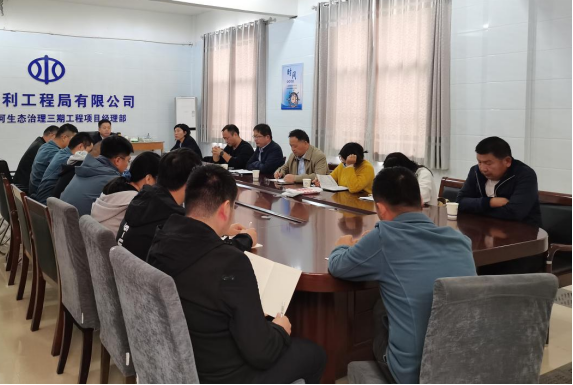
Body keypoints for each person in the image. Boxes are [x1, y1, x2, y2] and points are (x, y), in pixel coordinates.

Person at [148, 165, 326, 384]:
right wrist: (280, 330)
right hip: (224, 375)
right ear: (225, 208)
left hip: (179, 361)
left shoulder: (162, 238)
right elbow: (262, 353)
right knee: (314, 355)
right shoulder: (230, 262)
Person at [328, 167, 476, 384]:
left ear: (380, 208)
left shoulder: (384, 237)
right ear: (421, 201)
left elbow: (337, 266)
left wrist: (341, 246)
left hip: (411, 373)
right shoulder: (460, 240)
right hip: (464, 362)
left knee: (381, 307)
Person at [456, 136, 543, 274]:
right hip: (485, 237)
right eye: (479, 162)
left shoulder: (524, 174)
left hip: (522, 244)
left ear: (507, 161)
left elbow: (514, 213)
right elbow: (460, 202)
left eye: (488, 163)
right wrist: (490, 202)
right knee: (461, 264)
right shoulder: (475, 172)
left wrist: (476, 208)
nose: (483, 168)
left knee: (494, 275)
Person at [117, 148, 202, 260]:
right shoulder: (174, 219)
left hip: (124, 268)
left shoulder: (143, 198)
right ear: (190, 183)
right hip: (145, 270)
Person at [60, 135, 134, 216]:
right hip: (82, 223)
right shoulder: (112, 181)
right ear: (117, 161)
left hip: (62, 220)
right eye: (128, 160)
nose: (127, 165)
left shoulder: (86, 169)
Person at [91, 151, 161, 237]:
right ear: (148, 179)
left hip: (98, 242)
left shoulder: (114, 187)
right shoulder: (136, 202)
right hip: (114, 244)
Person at [34, 132, 93, 203]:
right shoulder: (69, 160)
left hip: (44, 199)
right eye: (89, 151)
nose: (90, 155)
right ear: (80, 147)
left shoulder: (62, 153)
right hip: (47, 202)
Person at [29, 123, 78, 197]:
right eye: (74, 139)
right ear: (64, 137)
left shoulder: (45, 146)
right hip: (41, 194)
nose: (75, 143)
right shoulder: (55, 153)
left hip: (34, 191)